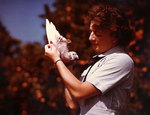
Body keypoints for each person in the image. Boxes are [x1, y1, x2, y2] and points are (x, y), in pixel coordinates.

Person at [44, 5, 134, 115]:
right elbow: (73, 103)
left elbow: (79, 92)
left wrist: (57, 60)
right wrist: (67, 67)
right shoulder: (96, 64)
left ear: (115, 36)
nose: (90, 38)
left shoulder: (121, 59)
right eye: (91, 32)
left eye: (98, 33)